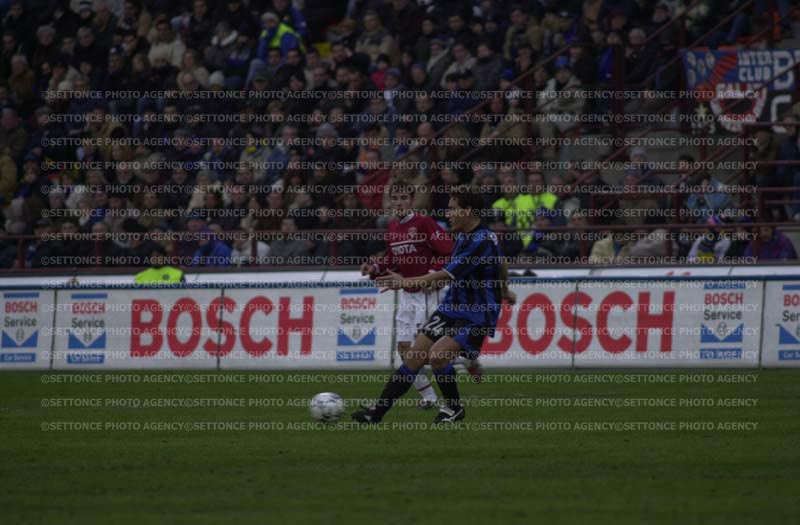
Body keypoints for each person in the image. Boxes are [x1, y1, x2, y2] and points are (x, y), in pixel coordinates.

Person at [352, 186, 515, 424]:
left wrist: (404, 282)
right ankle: (375, 414)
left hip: (477, 314)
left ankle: (454, 408)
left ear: (468, 211)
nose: (447, 214)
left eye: (452, 209)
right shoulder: (464, 236)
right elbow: (501, 262)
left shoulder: (481, 240)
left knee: (437, 356)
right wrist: (505, 289)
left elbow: (443, 275)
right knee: (414, 356)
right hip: (451, 307)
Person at [360, 181, 455, 410]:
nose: (399, 202)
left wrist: (433, 274)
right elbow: (393, 258)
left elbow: (450, 252)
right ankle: (429, 397)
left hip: (427, 294)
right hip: (407, 294)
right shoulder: (393, 226)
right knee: (404, 349)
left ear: (412, 200)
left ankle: (465, 361)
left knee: (428, 353)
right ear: (389, 201)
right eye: (395, 198)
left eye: (404, 198)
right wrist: (375, 267)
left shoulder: (423, 223)